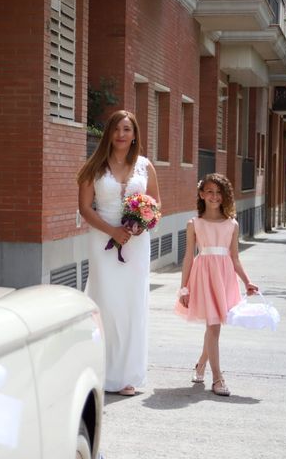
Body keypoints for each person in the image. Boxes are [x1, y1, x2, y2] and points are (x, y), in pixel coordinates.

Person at [77, 110, 161, 396]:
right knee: (107, 305)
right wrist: (112, 231)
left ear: (135, 134)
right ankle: (101, 372)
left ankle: (127, 376)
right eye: (116, 129)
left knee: (132, 305)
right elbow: (85, 209)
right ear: (109, 134)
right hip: (103, 240)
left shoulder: (145, 166)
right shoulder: (94, 167)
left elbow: (156, 204)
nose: (121, 135)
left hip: (136, 245)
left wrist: (140, 225)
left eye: (126, 129)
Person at [175, 173, 258, 396]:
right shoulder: (194, 224)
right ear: (202, 194)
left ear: (225, 196)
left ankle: (201, 364)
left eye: (219, 192)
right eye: (210, 191)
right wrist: (184, 287)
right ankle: (218, 379)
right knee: (213, 327)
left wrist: (247, 281)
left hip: (224, 278)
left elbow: (234, 257)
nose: (214, 196)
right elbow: (188, 257)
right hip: (203, 278)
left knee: (213, 326)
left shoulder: (232, 224)